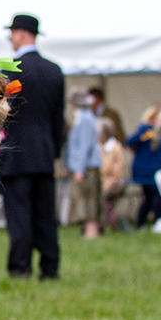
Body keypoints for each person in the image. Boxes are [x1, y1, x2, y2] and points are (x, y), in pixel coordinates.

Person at [0, 13, 66, 279]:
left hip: (16, 154)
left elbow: (1, 113)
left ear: (22, 33)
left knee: (19, 215)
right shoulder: (54, 70)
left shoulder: (11, 70)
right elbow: (58, 118)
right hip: (45, 153)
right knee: (46, 215)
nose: (11, 39)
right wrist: (55, 152)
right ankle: (50, 267)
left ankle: (20, 266)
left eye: (12, 33)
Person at [64, 90, 102, 239]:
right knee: (86, 197)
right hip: (85, 165)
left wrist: (79, 169)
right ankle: (88, 229)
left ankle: (91, 231)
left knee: (88, 198)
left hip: (86, 167)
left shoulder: (85, 119)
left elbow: (84, 146)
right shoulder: (84, 118)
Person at [126, 104, 161, 230]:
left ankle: (142, 222)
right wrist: (145, 135)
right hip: (147, 171)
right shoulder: (146, 129)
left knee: (150, 197)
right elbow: (130, 142)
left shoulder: (160, 132)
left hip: (155, 170)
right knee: (156, 195)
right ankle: (156, 220)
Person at [98, 118, 131, 230]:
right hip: (103, 181)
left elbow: (117, 171)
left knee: (103, 195)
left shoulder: (116, 147)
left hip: (115, 182)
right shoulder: (99, 147)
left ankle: (110, 223)